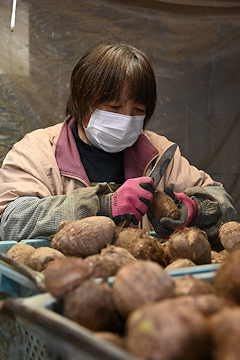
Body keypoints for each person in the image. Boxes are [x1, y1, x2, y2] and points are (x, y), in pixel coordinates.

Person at [0, 43, 237, 247]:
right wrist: (101, 206)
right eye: (114, 107)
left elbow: (223, 205)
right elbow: (11, 221)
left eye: (138, 110)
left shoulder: (158, 152)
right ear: (82, 102)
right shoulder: (37, 151)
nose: (125, 119)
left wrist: (195, 211)